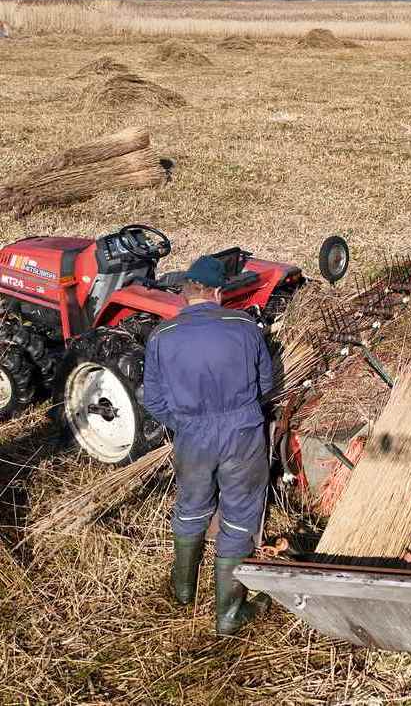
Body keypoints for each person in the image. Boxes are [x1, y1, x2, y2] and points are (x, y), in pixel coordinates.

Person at [142, 254, 274, 636]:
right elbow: (265, 383)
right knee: (238, 516)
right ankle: (229, 614)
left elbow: (153, 400)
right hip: (242, 433)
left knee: (191, 508)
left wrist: (185, 424)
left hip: (192, 436)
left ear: (185, 293)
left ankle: (183, 590)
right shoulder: (244, 326)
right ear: (217, 291)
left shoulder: (162, 337)